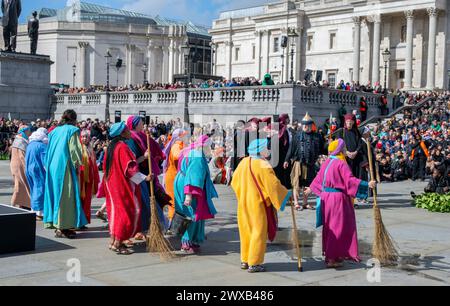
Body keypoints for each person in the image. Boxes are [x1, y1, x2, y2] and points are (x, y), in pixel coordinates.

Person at [306, 139, 376, 268]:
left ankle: (332, 256)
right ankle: (332, 258)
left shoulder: (327, 162)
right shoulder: (341, 164)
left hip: (326, 198)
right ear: (340, 150)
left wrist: (310, 188)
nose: (344, 150)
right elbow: (350, 181)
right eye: (343, 148)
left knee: (330, 228)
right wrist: (367, 184)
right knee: (337, 228)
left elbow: (318, 179)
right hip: (337, 199)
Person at [231, 139, 291, 273]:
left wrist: (242, 193)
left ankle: (245, 259)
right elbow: (273, 185)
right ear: (260, 150)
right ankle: (255, 262)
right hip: (257, 204)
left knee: (246, 231)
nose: (269, 150)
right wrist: (286, 194)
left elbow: (234, 181)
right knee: (258, 232)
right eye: (266, 148)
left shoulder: (243, 162)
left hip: (243, 203)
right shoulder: (263, 164)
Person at [103, 122, 153, 255]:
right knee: (126, 213)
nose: (129, 132)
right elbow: (130, 170)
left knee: (115, 212)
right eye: (127, 130)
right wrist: (145, 178)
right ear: (122, 133)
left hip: (112, 184)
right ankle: (118, 243)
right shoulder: (122, 148)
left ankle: (113, 241)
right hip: (121, 185)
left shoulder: (111, 147)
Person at [43, 110, 86, 239]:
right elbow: (74, 149)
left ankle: (58, 225)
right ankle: (63, 227)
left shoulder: (54, 131)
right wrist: (78, 164)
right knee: (66, 196)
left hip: (52, 166)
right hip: (64, 165)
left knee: (56, 195)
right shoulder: (72, 130)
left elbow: (48, 149)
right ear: (74, 119)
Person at [125, 115, 167, 239]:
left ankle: (143, 230)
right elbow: (131, 162)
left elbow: (154, 148)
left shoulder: (142, 136)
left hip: (147, 174)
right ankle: (142, 229)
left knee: (148, 202)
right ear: (134, 125)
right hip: (138, 176)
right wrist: (145, 156)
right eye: (140, 123)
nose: (142, 125)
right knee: (143, 203)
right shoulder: (131, 139)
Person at [174, 135, 218, 254]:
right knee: (192, 214)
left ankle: (192, 239)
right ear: (204, 146)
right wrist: (189, 195)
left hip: (182, 182)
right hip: (189, 187)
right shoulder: (198, 157)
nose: (211, 148)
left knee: (191, 213)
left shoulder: (193, 151)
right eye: (209, 146)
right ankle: (186, 242)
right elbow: (193, 177)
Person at [284, 113, 324, 210]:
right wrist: (286, 160)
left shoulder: (317, 136)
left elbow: (322, 148)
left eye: (308, 125)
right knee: (296, 183)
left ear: (311, 126)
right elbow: (291, 149)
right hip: (298, 163)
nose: (306, 127)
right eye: (305, 125)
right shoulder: (297, 135)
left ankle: (305, 203)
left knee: (308, 184)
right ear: (302, 125)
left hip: (310, 164)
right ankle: (296, 203)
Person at [163, 128, 188, 223]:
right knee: (173, 202)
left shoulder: (180, 145)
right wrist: (188, 151)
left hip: (175, 176)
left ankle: (174, 225)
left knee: (177, 201)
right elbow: (177, 156)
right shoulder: (176, 146)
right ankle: (171, 225)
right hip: (172, 177)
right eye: (185, 135)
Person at [25, 127, 48, 220]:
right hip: (38, 170)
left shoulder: (30, 144)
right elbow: (45, 161)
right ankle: (39, 212)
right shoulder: (42, 146)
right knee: (40, 190)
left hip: (29, 169)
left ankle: (34, 209)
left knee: (34, 189)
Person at [79, 129, 100, 227]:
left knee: (87, 202)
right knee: (81, 201)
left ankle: (84, 222)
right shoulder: (79, 148)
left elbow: (94, 165)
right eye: (83, 136)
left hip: (89, 179)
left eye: (86, 137)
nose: (84, 139)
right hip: (81, 179)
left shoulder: (90, 149)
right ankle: (79, 222)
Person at [10, 124, 31, 209]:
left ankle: (22, 204)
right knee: (20, 185)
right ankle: (13, 204)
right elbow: (22, 156)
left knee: (21, 185)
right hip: (19, 166)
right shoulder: (21, 141)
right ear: (24, 131)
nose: (30, 132)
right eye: (28, 131)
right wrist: (28, 167)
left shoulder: (18, 139)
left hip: (15, 165)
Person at [337, 114, 363, 178]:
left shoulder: (356, 131)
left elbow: (360, 143)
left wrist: (356, 152)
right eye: (347, 122)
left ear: (353, 122)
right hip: (345, 158)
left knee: (355, 175)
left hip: (355, 157)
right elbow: (339, 144)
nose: (349, 123)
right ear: (345, 122)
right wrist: (347, 152)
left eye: (351, 122)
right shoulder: (341, 131)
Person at [272, 114, 291, 189]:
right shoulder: (282, 129)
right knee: (280, 176)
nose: (288, 120)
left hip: (281, 156)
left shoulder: (285, 129)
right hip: (281, 156)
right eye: (287, 119)